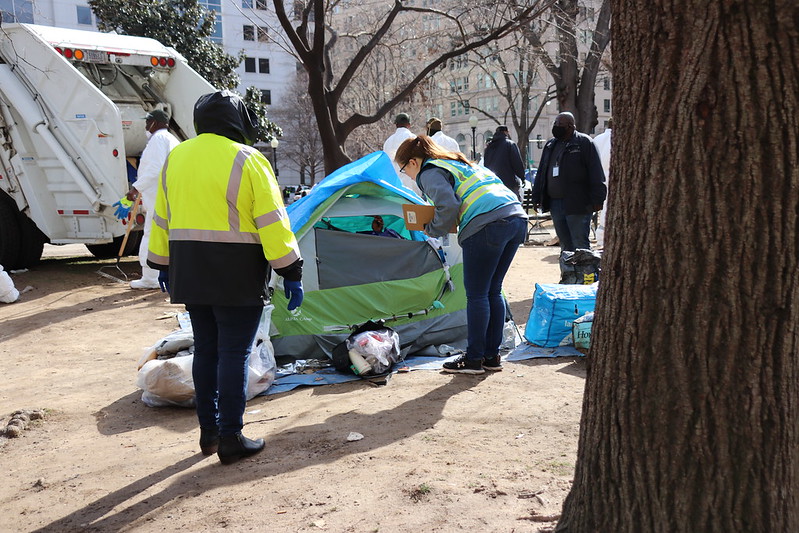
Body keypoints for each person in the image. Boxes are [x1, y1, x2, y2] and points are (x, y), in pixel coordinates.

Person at [147, 90, 304, 465]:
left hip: (189, 269)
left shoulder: (177, 157)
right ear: (238, 121)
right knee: (234, 353)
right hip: (236, 271)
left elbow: (162, 217)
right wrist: (291, 271)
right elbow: (272, 222)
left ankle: (210, 433)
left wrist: (162, 264)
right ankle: (232, 436)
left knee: (206, 350)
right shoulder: (249, 159)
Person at [394, 136, 527, 375]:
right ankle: (491, 356)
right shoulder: (460, 162)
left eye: (405, 170)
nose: (408, 176)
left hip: (486, 225)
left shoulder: (429, 171)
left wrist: (430, 229)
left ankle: (474, 359)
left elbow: (448, 205)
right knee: (493, 290)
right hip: (516, 218)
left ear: (414, 162)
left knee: (476, 295)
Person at [532, 112, 606, 253]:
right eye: (555, 123)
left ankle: (584, 274)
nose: (556, 126)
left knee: (580, 243)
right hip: (555, 203)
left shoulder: (584, 143)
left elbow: (596, 172)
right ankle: (568, 274)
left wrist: (598, 198)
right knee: (565, 245)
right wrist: (537, 196)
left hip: (578, 203)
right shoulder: (550, 145)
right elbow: (542, 172)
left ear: (571, 127)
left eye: (560, 125)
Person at [126, 109, 180, 289]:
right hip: (168, 197)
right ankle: (165, 275)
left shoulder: (158, 139)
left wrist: (135, 188)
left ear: (154, 123)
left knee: (151, 236)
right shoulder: (172, 140)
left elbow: (155, 168)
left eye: (147, 123)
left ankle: (150, 278)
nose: (145, 127)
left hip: (158, 199)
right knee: (167, 237)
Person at [483, 125, 527, 201]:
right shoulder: (510, 144)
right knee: (513, 206)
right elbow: (517, 163)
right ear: (506, 132)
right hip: (509, 183)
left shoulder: (489, 147)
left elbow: (485, 165)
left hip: (494, 185)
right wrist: (522, 177)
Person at [382, 113, 420, 194]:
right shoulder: (413, 138)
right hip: (412, 185)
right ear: (409, 125)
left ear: (396, 124)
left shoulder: (388, 142)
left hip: (394, 186)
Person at [591, 117, 612, 248]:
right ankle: (602, 238)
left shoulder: (597, 139)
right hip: (611, 177)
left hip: (598, 179)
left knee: (602, 209)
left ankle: (600, 238)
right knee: (607, 209)